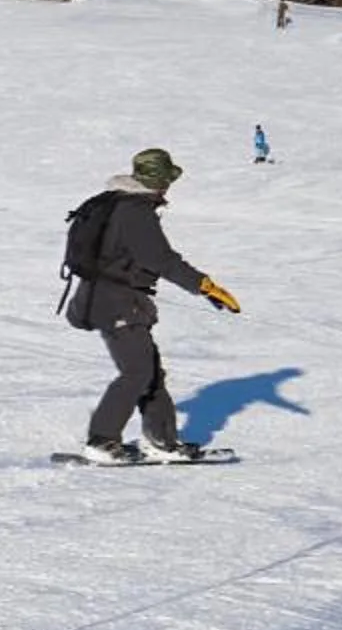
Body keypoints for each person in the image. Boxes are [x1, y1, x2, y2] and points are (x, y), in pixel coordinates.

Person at [69, 147, 239, 464]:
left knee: (149, 372)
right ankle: (101, 441)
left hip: (115, 298)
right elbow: (159, 259)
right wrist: (205, 286)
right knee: (136, 372)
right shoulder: (134, 211)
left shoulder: (119, 204)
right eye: (167, 180)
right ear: (158, 180)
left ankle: (162, 441)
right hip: (116, 301)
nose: (169, 187)